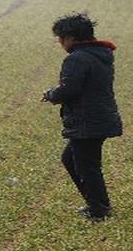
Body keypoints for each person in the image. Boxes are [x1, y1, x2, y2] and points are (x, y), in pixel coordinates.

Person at [42, 13, 122, 222]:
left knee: (87, 166)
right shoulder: (100, 54)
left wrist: (51, 94)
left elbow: (70, 89)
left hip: (88, 121)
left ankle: (99, 210)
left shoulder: (76, 58)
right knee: (72, 159)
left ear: (71, 38)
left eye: (60, 38)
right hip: (100, 117)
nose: (59, 42)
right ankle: (97, 204)